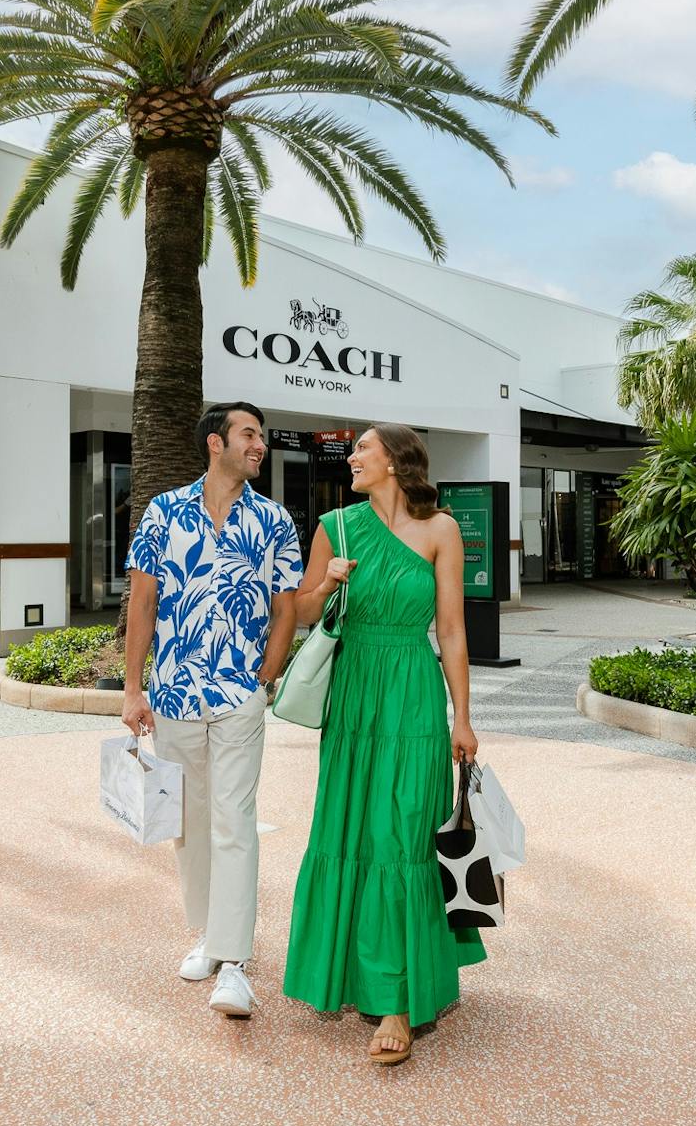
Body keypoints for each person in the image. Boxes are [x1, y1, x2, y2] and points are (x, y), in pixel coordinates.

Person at [283, 423, 483, 1065]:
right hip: (356, 698)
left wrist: (463, 717)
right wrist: (327, 584)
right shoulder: (335, 528)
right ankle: (353, 977)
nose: (353, 459)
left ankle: (396, 999)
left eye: (363, 450)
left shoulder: (441, 530)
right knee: (357, 834)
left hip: (416, 696)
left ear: (396, 462)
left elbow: (451, 630)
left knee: (403, 834)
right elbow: (302, 614)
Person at [122, 402, 302, 1019]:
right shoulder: (163, 512)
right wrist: (132, 689)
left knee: (234, 820)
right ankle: (205, 933)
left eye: (262, 437)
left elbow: (288, 608)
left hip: (238, 697)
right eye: (249, 434)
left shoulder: (275, 521)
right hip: (173, 692)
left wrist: (266, 677)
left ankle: (234, 963)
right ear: (214, 442)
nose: (260, 445)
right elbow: (142, 603)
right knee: (188, 822)